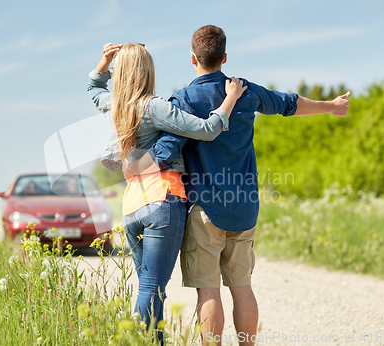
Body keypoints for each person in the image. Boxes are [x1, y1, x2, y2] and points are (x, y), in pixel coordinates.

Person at [137, 25, 350, 346]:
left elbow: (166, 151)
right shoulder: (245, 91)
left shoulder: (184, 99)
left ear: (192, 59)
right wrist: (331, 107)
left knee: (208, 290)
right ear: (224, 57)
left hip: (205, 210)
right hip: (246, 209)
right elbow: (289, 103)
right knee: (242, 287)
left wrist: (134, 163)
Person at [87, 42, 247, 342]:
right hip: (162, 199)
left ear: (120, 73)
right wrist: (230, 99)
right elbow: (208, 129)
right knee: (152, 288)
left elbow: (93, 89)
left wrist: (104, 60)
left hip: (132, 205)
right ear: (148, 72)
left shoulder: (116, 105)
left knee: (148, 286)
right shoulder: (154, 107)